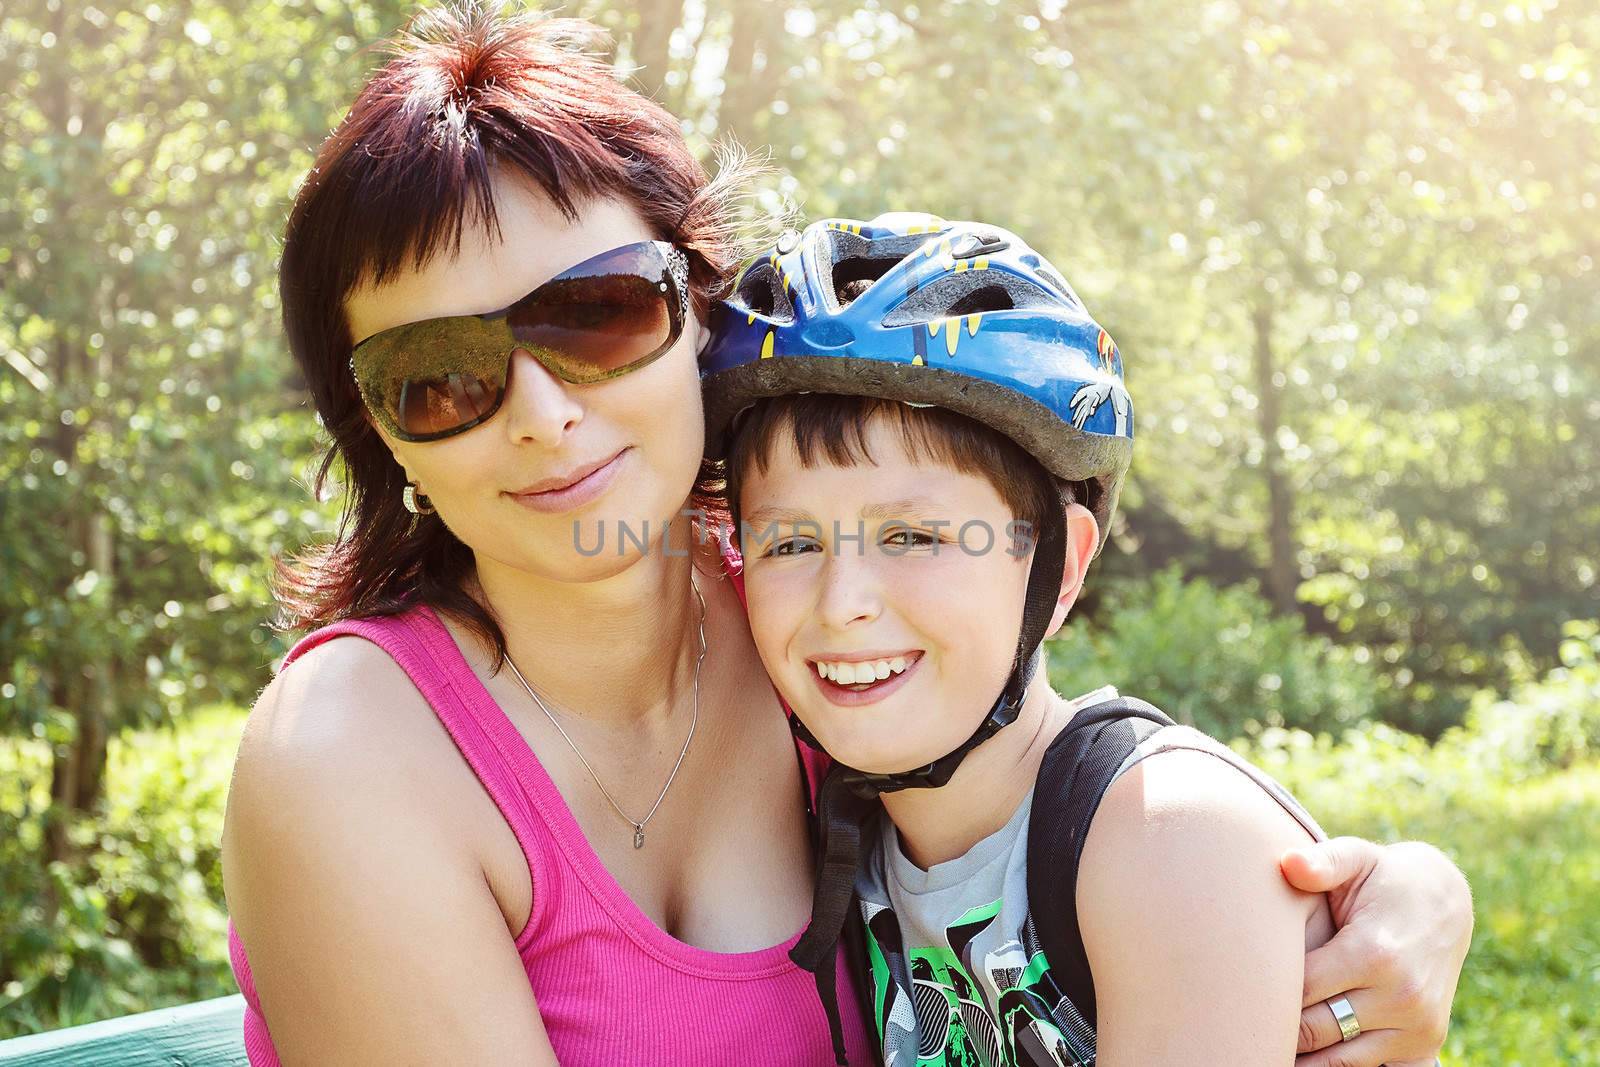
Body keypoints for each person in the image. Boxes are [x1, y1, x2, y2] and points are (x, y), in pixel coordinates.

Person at [220, 5, 1470, 1065]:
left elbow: (1071, 792)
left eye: (594, 316)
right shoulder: (350, 756)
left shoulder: (803, 606)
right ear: (382, 430)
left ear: (698, 311)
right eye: (439, 374)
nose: (543, 416)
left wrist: (1401, 890)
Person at [702, 212, 1439, 1065]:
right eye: (791, 542)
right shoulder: (843, 831)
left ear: (1058, 568)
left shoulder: (1165, 839)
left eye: (911, 537)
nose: (842, 604)